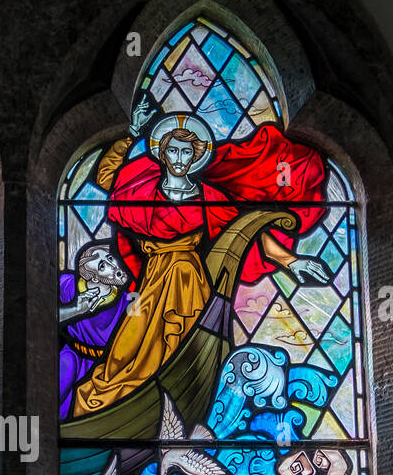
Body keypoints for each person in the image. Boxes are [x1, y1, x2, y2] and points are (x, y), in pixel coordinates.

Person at [71, 97, 332, 418]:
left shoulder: (209, 197)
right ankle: (115, 410)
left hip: (190, 281)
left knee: (181, 346)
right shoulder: (139, 185)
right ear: (161, 152)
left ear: (196, 155)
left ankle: (173, 411)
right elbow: (106, 176)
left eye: (186, 151)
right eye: (172, 150)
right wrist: (133, 132)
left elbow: (247, 232)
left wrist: (292, 261)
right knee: (127, 352)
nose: (179, 158)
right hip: (151, 282)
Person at [58, 241, 129, 419]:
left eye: (111, 258)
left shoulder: (129, 301)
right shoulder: (67, 286)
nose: (113, 266)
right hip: (74, 356)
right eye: (103, 266)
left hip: (111, 367)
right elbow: (37, 315)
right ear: (94, 278)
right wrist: (75, 310)